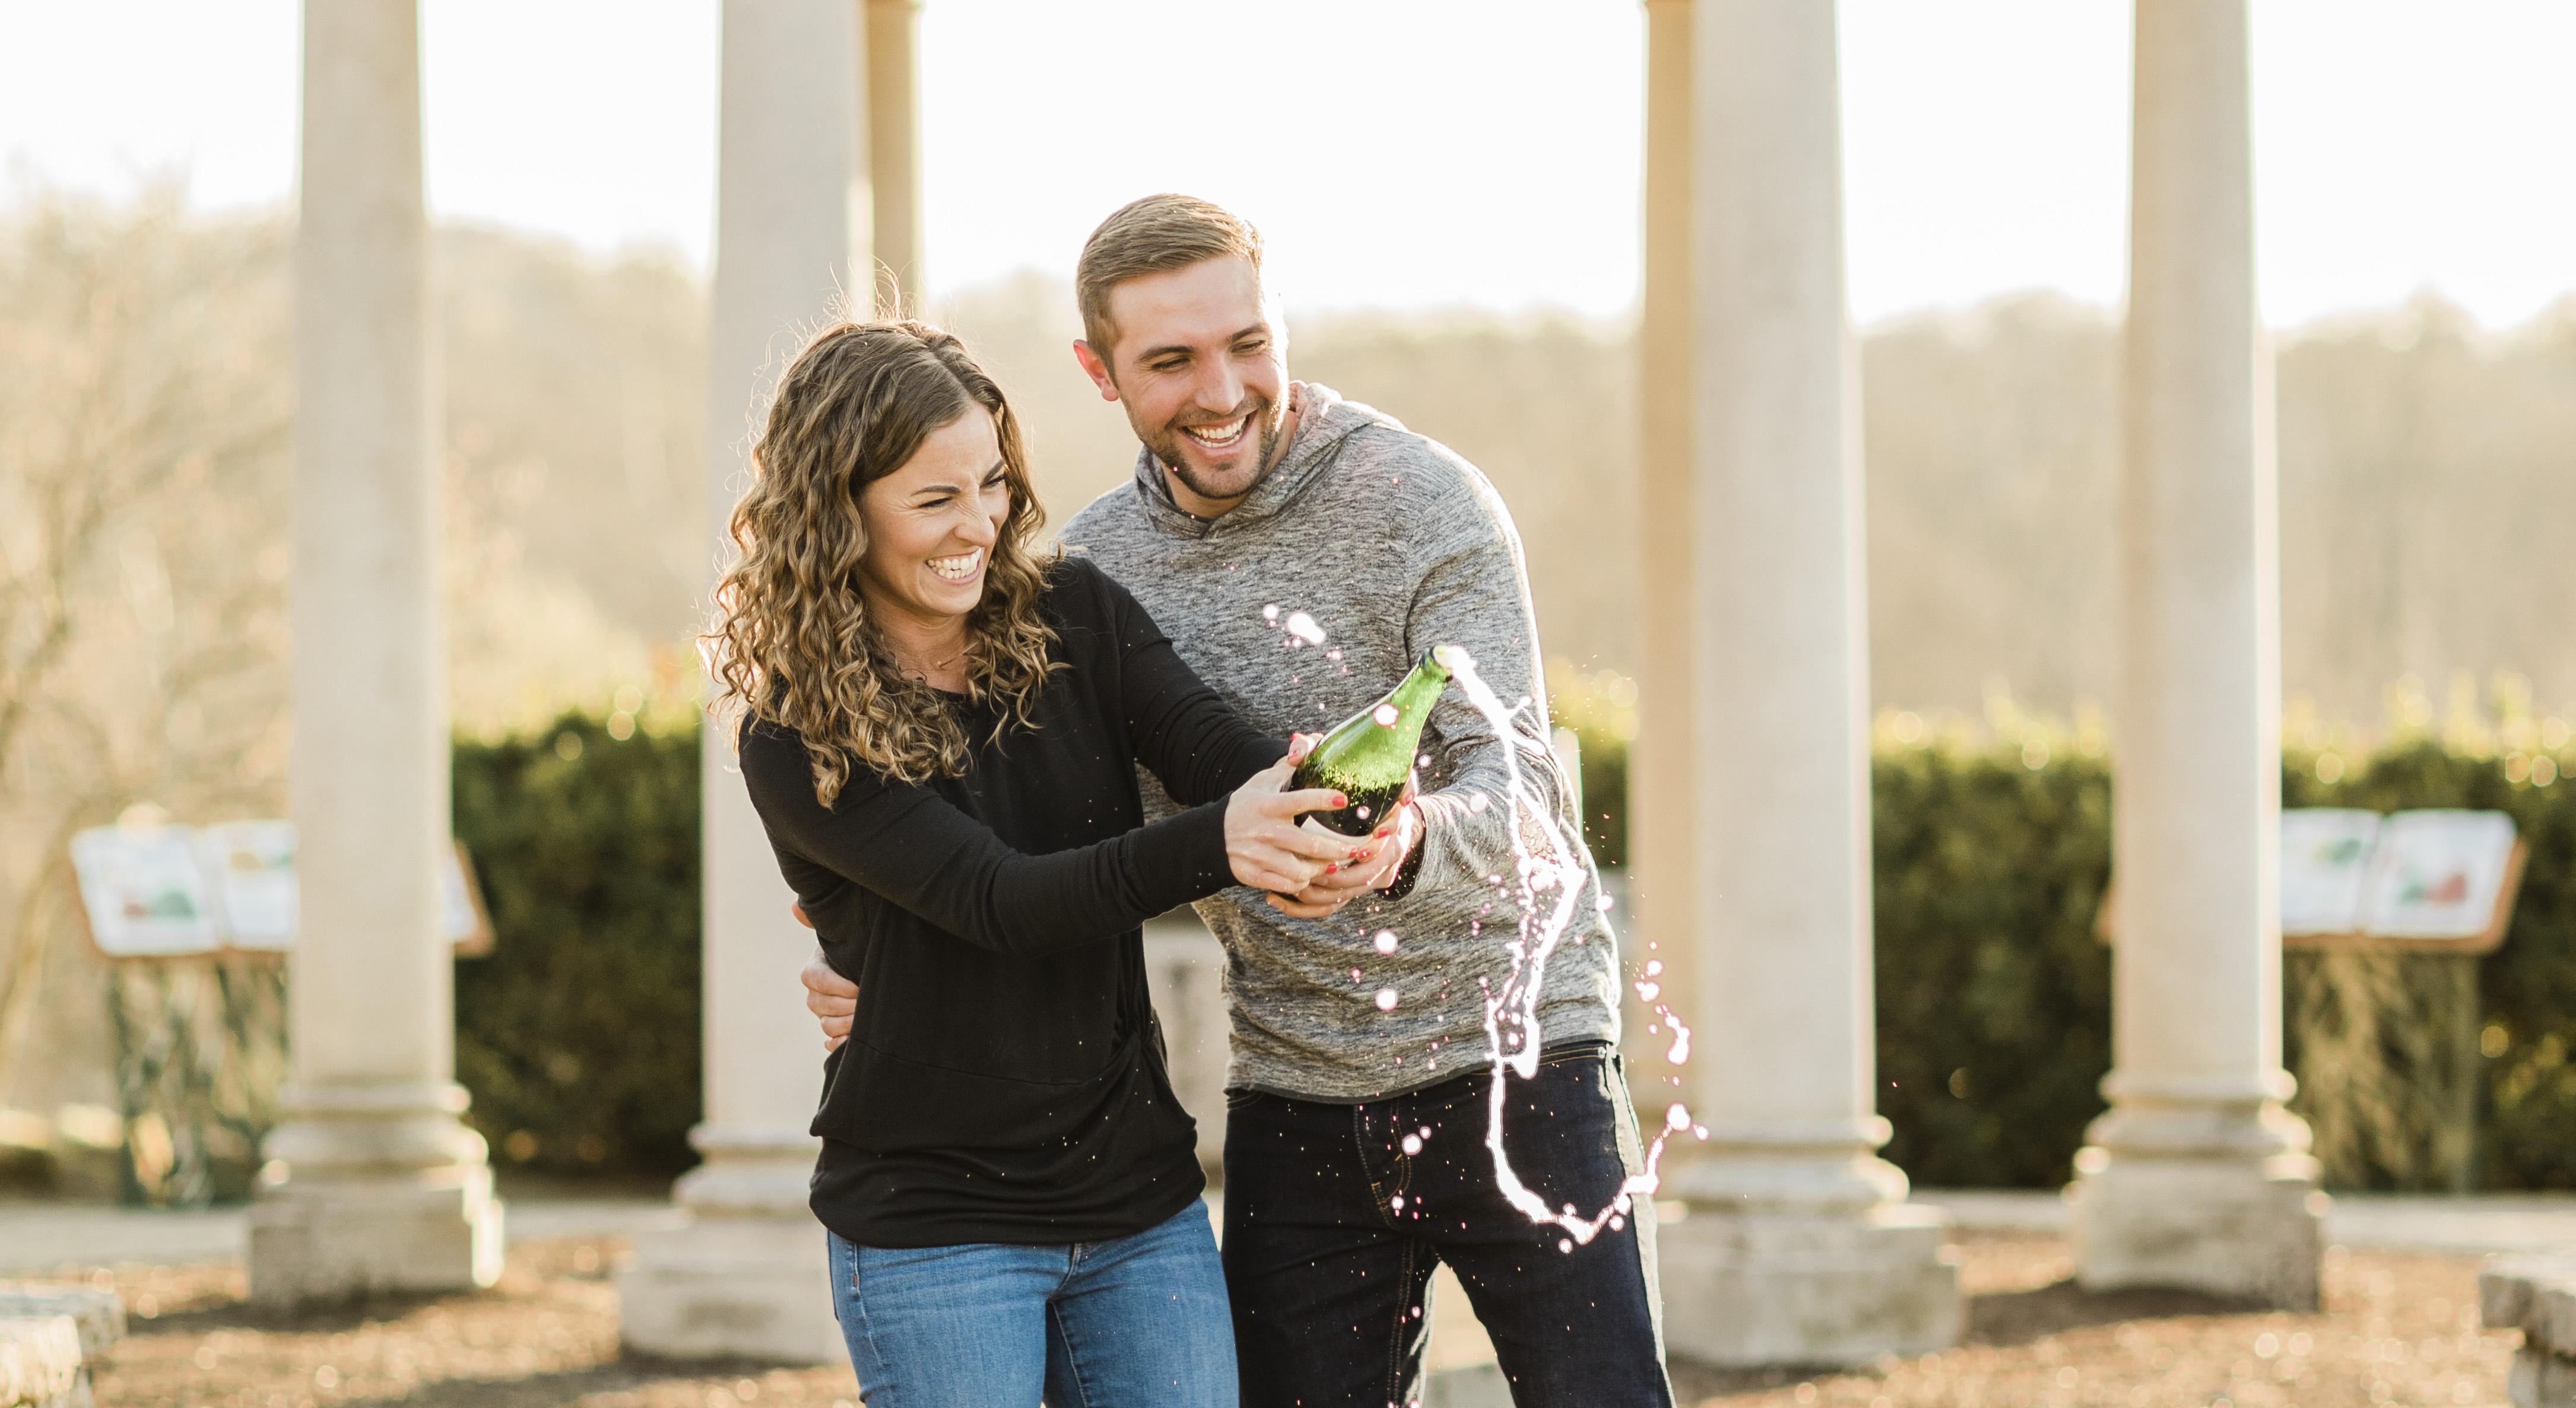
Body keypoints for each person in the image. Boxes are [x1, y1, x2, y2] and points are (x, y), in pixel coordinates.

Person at [804, 198, 1674, 1408]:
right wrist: (886, 948)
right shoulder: (1092, 575)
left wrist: (1408, 837)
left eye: (1248, 344)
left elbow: (1521, 789)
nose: (1222, 392)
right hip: (1294, 1092)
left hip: (1521, 1065)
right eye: (1171, 360)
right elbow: (1029, 841)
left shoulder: (1423, 500)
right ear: (1098, 371)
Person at [710, 319, 1376, 1408]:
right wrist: (1226, 839)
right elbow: (1002, 901)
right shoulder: (795, 732)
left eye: (992, 484)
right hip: (935, 1230)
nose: (978, 524)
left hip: (1139, 1204)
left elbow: (1215, 752)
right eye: (935, 499)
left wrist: (1336, 797)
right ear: (837, 513)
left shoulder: (1076, 614)